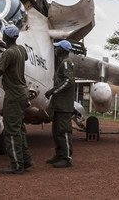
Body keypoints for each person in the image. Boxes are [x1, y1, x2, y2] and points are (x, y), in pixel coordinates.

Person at [0, 24, 33, 174]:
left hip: (13, 96)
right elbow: (21, 56)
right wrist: (5, 48)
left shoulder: (8, 54)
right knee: (20, 129)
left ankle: (17, 164)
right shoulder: (21, 49)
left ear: (6, 37)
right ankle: (26, 160)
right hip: (22, 94)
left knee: (11, 131)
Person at [44, 40, 75, 168]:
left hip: (64, 105)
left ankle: (67, 158)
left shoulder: (66, 63)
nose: (55, 50)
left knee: (64, 131)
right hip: (59, 105)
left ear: (62, 50)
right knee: (57, 132)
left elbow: (69, 81)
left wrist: (53, 91)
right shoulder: (62, 63)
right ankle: (59, 154)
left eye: (57, 49)